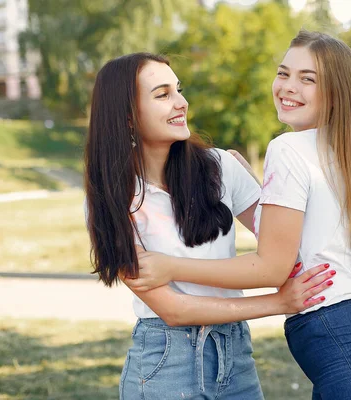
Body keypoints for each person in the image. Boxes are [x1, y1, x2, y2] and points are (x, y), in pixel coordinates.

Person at [125, 31, 351, 399]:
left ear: (335, 93)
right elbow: (296, 244)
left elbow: (273, 267)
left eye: (307, 79)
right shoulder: (341, 151)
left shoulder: (288, 148)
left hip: (346, 348)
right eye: (283, 73)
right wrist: (256, 187)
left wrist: (170, 266)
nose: (288, 87)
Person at [83, 52, 332, 400]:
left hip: (236, 357)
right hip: (164, 363)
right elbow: (173, 309)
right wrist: (278, 302)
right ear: (127, 117)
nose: (181, 103)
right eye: (162, 94)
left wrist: (272, 188)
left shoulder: (221, 168)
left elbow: (288, 247)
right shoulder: (107, 199)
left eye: (179, 90)